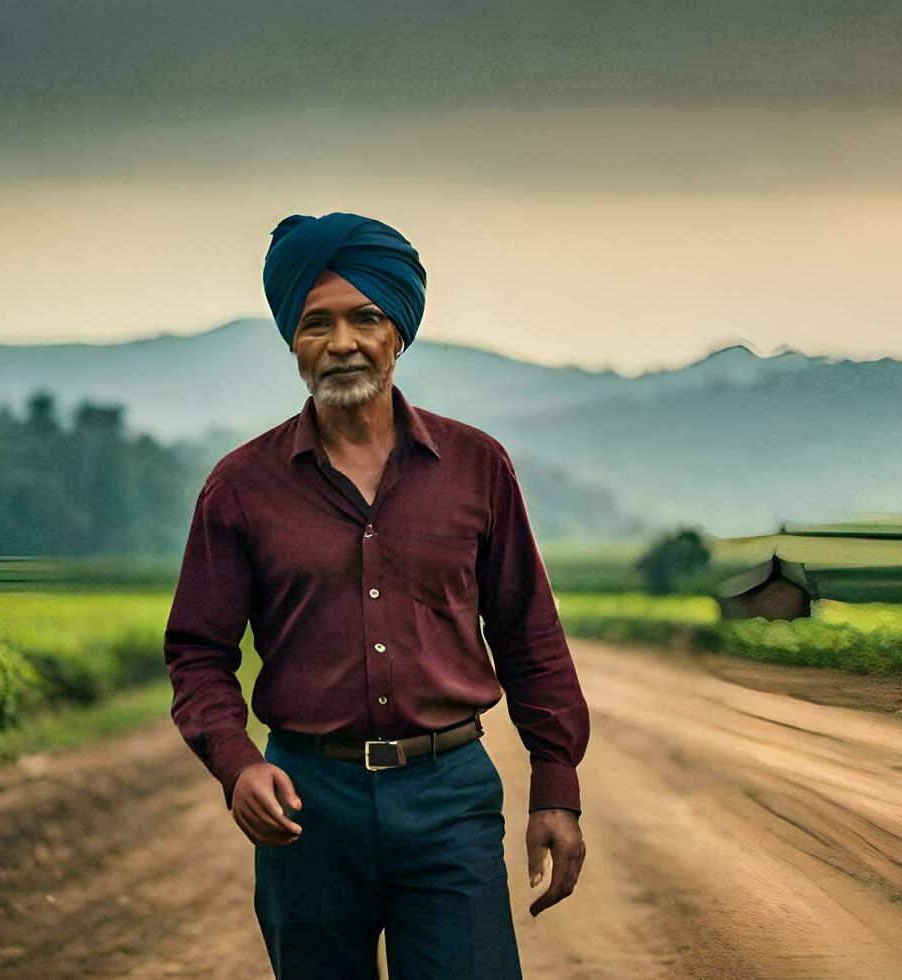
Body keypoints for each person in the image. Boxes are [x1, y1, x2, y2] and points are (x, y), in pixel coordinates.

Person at [163, 211, 591, 979]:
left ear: (399, 334)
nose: (342, 342)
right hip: (306, 804)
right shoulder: (239, 487)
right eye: (315, 322)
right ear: (292, 342)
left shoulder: (477, 467)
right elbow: (198, 653)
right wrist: (237, 764)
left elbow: (529, 634)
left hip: (450, 795)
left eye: (366, 317)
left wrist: (556, 787)